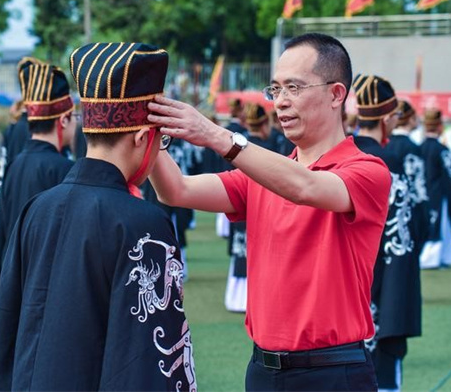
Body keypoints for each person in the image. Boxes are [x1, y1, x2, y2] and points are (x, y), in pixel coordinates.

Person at [148, 33, 390, 392]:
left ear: (336, 94)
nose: (281, 102)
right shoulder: (260, 174)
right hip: (263, 370)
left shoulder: (367, 171)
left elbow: (304, 188)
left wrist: (217, 135)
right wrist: (148, 127)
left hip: (334, 371)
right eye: (276, 89)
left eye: (294, 87)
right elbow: (176, 189)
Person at [0, 42, 196, 391]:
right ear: (144, 137)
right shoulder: (143, 222)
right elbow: (150, 356)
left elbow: (7, 329)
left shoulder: (36, 208)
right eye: (162, 142)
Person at [0, 61, 75, 304]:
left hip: (17, 289)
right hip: (46, 295)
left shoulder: (16, 164)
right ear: (63, 120)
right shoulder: (65, 170)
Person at [352, 74, 422, 392]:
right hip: (379, 282)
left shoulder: (341, 155)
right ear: (387, 118)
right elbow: (402, 243)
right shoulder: (389, 162)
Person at [224, 103, 275, 313]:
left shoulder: (237, 144)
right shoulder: (268, 147)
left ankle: (236, 298)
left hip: (238, 201)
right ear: (264, 124)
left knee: (240, 250)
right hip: (260, 204)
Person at [419, 109, 451, 269]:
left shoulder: (418, 148)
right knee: (440, 225)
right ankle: (437, 258)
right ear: (440, 126)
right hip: (438, 193)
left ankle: (429, 257)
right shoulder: (443, 150)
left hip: (421, 193)